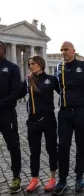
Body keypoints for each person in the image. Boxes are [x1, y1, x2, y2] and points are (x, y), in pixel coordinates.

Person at [52, 41, 84, 195]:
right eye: (61, 49)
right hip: (64, 112)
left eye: (66, 49)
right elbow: (58, 87)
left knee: (81, 146)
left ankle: (79, 177)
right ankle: (62, 180)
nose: (63, 52)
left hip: (81, 111)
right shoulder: (58, 67)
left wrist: (78, 98)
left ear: (74, 51)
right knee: (62, 147)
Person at [20, 56, 59, 192]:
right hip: (33, 121)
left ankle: (53, 178)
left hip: (48, 120)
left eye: (33, 64)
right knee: (34, 151)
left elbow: (64, 93)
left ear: (41, 64)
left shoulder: (51, 79)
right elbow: (18, 93)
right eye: (29, 64)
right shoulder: (28, 80)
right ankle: (34, 179)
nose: (31, 66)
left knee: (51, 149)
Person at [0, 41, 22, 194]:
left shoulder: (12, 68)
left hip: (6, 113)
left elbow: (16, 92)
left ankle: (16, 176)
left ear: (3, 50)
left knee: (12, 145)